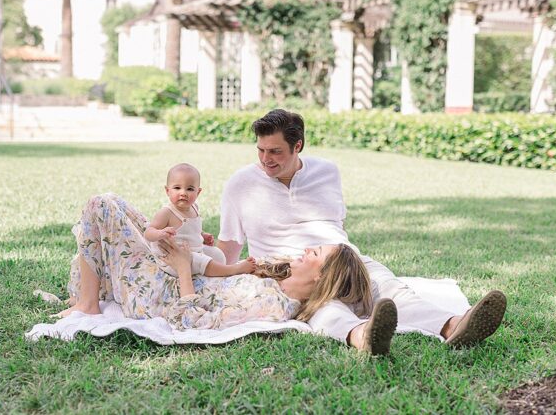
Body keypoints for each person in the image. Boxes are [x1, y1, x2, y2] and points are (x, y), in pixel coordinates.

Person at [216, 109, 507, 356]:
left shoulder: (327, 171)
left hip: (339, 255)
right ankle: (363, 336)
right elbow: (229, 243)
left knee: (388, 289)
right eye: (261, 150)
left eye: (275, 151)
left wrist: (340, 258)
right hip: (289, 269)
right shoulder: (240, 184)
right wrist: (211, 271)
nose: (266, 159)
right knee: (324, 307)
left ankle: (454, 325)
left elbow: (337, 225)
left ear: (298, 146)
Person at [56, 193, 383, 333]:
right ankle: (89, 296)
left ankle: (88, 304)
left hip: (159, 295)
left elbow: (189, 322)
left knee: (103, 205)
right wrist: (196, 250)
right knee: (122, 218)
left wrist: (184, 266)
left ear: (323, 276)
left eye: (316, 254)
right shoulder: (276, 282)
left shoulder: (273, 304)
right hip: (167, 274)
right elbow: (222, 275)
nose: (307, 250)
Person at [143, 163, 253, 277]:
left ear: (198, 192)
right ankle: (232, 270)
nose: (183, 193)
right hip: (174, 259)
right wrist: (160, 233)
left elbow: (191, 230)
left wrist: (203, 235)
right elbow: (148, 232)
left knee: (217, 254)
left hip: (194, 251)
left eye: (190, 189)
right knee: (200, 261)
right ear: (167, 191)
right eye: (177, 188)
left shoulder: (194, 208)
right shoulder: (166, 213)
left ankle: (215, 270)